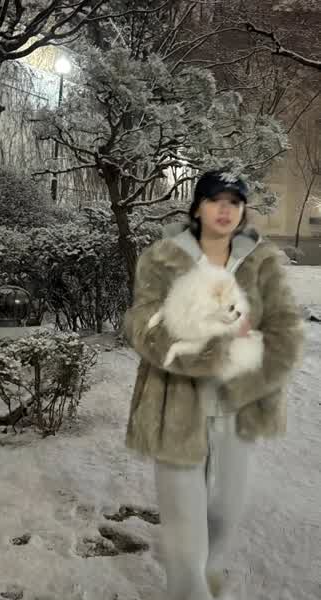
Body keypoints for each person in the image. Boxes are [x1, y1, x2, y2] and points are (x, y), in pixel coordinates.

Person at [123, 170, 304, 600]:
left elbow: (285, 329)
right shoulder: (163, 258)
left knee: (224, 512)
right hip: (174, 403)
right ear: (198, 206)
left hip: (239, 405)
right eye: (215, 200)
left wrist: (261, 362)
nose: (225, 209)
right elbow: (142, 324)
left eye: (234, 202)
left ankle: (207, 576)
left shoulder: (262, 261)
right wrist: (213, 351)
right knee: (184, 523)